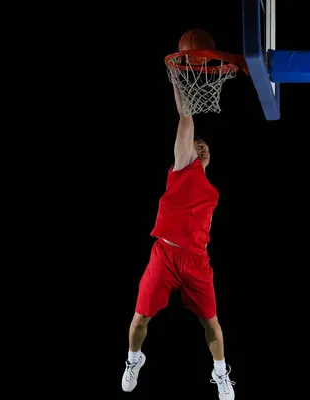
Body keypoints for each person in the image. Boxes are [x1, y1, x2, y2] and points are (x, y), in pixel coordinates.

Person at [120, 83, 235, 400]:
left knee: (211, 323)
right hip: (165, 255)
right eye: (197, 145)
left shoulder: (208, 186)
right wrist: (180, 83)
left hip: (197, 260)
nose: (202, 148)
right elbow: (186, 118)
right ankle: (134, 360)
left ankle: (221, 373)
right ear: (186, 151)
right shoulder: (183, 166)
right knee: (140, 317)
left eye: (206, 146)